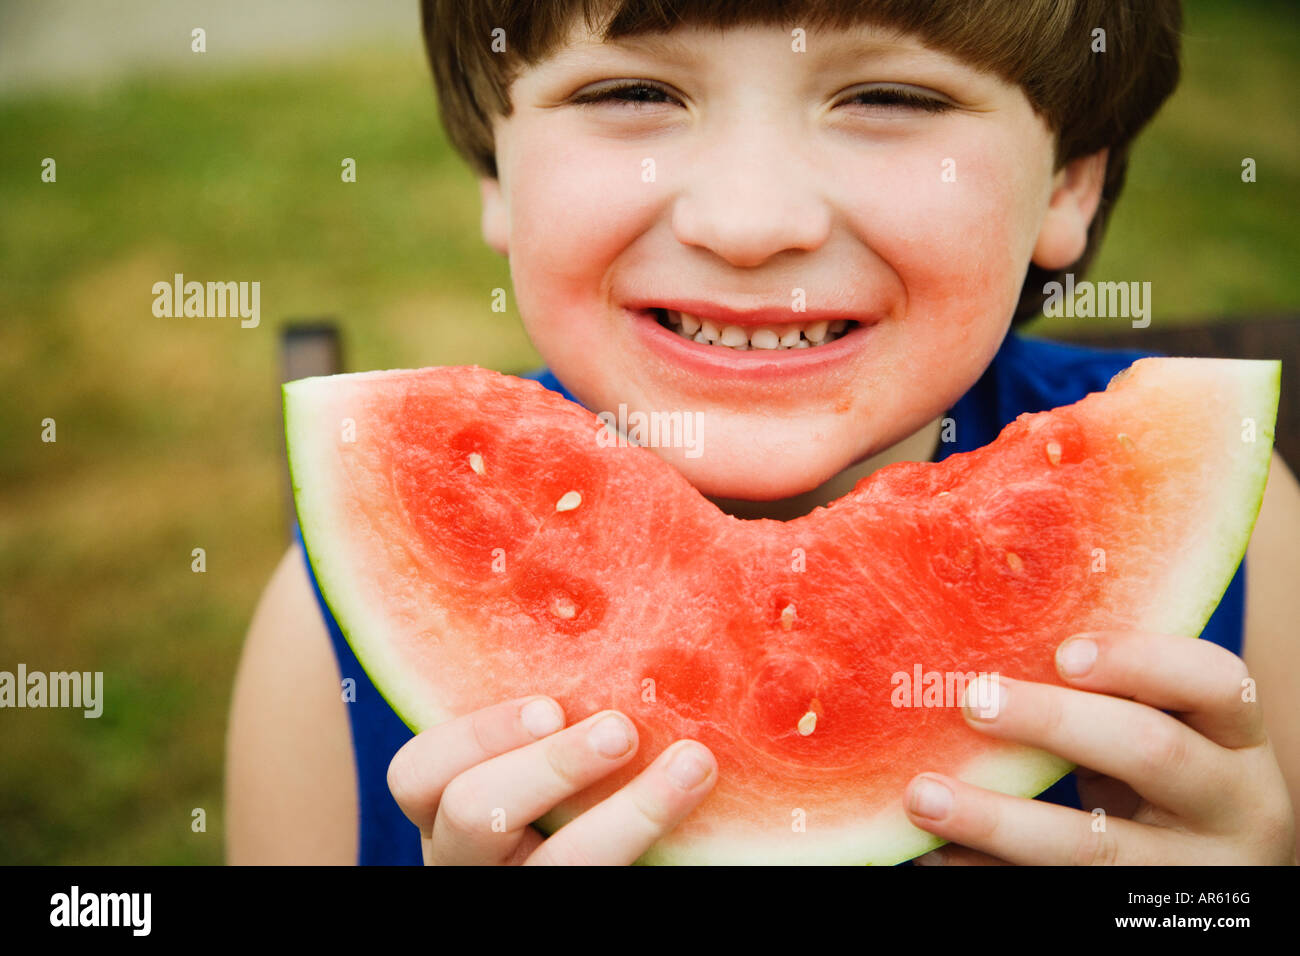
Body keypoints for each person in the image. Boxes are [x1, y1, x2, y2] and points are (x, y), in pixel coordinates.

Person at [226, 0, 1300, 865]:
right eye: (632, 90)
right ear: (497, 174)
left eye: (889, 95)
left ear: (1070, 179)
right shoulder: (317, 644)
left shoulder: (1259, 551)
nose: (748, 223)